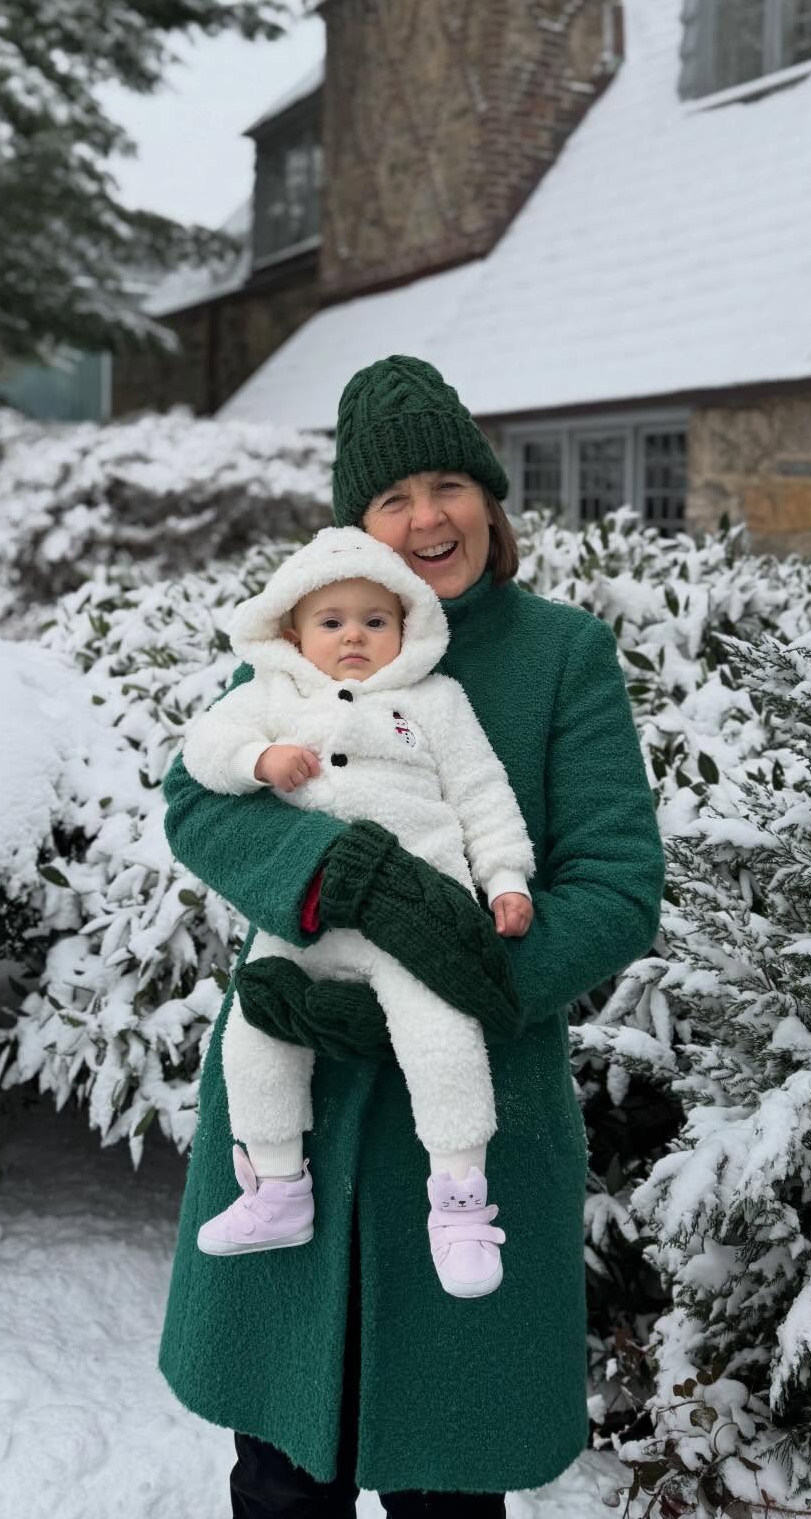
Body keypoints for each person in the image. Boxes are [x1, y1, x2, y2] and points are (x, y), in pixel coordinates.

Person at [157, 354, 666, 1515]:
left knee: (447, 1475)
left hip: (469, 1103)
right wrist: (330, 876)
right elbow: (199, 798)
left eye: (449, 483)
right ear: (359, 525)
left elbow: (617, 883)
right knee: (282, 1471)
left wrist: (456, 966)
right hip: (301, 1064)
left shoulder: (560, 657)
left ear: (490, 497)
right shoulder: (313, 640)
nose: (428, 516)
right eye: (395, 496)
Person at [180, 524, 536, 1300]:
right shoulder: (271, 695)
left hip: (420, 916)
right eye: (331, 622)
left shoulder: (435, 701)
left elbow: (482, 793)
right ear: (292, 632)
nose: (353, 637)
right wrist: (259, 761)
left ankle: (461, 1202)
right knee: (256, 1032)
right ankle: (276, 1186)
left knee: (444, 1041)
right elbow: (203, 749)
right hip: (303, 916)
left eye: (375, 621)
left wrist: (506, 876)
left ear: (406, 628)